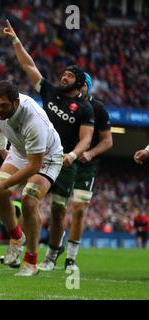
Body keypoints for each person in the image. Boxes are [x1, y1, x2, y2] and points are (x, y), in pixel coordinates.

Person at [2, 20, 95, 271]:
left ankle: (52, 256)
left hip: (62, 161)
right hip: (36, 153)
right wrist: (15, 40)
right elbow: (28, 65)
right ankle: (19, 244)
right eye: (64, 73)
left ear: (79, 84)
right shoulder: (50, 92)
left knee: (57, 211)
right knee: (29, 201)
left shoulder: (85, 108)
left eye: (70, 75)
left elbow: (86, 138)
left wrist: (74, 155)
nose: (64, 76)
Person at [0, 80, 63, 276]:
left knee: (29, 200)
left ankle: (31, 261)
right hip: (19, 152)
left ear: (16, 103)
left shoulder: (34, 121)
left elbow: (35, 165)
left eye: (4, 105)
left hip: (48, 158)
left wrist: (4, 183)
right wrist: (3, 150)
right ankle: (17, 238)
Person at [56, 73, 113, 271]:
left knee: (79, 209)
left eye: (82, 85)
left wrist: (90, 153)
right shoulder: (62, 102)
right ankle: (55, 247)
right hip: (64, 160)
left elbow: (108, 141)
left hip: (86, 165)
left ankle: (71, 258)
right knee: (58, 208)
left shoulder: (98, 109)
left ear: (87, 87)